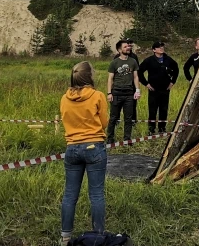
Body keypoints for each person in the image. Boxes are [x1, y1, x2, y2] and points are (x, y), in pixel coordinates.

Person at [59, 61, 108, 245]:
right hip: (94, 146)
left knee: (70, 194)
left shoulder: (64, 98)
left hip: (72, 148)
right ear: (89, 77)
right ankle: (98, 235)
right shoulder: (98, 96)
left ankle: (65, 237)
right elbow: (103, 123)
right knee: (96, 194)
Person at [137, 41, 179, 134]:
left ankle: (162, 128)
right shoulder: (149, 60)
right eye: (159, 47)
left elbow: (176, 69)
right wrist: (146, 84)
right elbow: (139, 72)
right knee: (152, 110)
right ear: (154, 50)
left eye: (162, 47)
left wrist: (172, 82)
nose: (161, 48)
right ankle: (151, 129)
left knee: (163, 109)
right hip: (153, 89)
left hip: (165, 89)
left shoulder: (168, 59)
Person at [106, 40, 141, 143]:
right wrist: (109, 93)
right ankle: (110, 139)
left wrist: (137, 90)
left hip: (129, 93)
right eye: (125, 47)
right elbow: (110, 79)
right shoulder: (114, 62)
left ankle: (127, 139)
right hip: (116, 93)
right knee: (113, 118)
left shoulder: (133, 61)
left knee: (128, 118)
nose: (128, 48)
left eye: (128, 46)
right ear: (119, 49)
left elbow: (135, 77)